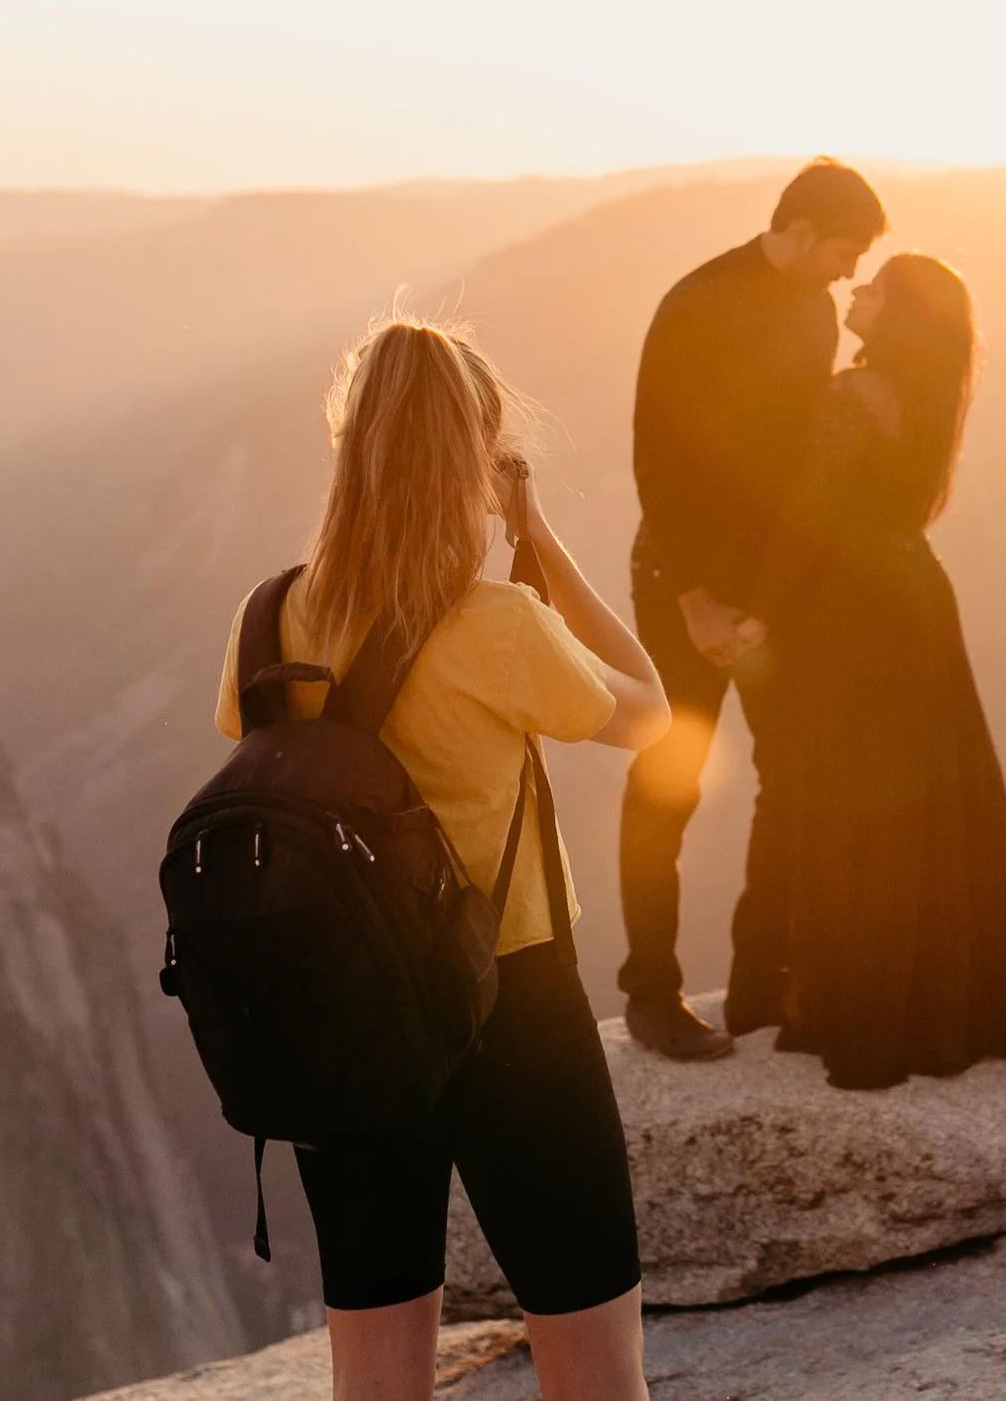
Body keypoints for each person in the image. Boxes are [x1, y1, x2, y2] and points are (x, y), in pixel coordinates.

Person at [212, 316, 669, 1401]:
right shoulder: (497, 621)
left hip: (336, 1021)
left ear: (348, 441)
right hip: (509, 1004)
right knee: (590, 1355)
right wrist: (540, 537)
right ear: (477, 455)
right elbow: (649, 709)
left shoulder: (269, 615)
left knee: (373, 1364)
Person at [753, 254, 1006, 1090]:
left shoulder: (852, 397)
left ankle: (866, 1005)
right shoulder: (931, 396)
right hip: (919, 604)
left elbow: (806, 520)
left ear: (895, 313)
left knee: (854, 803)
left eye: (874, 287)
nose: (856, 293)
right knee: (934, 806)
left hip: (852, 620)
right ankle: (956, 999)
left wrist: (760, 612)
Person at [617, 157, 888, 1059]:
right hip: (682, 585)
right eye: (844, 253)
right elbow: (657, 458)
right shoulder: (696, 304)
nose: (849, 276)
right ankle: (652, 994)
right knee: (671, 783)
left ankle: (760, 982)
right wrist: (697, 602)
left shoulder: (811, 311)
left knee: (792, 772)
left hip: (772, 596)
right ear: (802, 231)